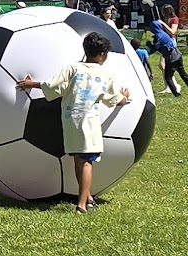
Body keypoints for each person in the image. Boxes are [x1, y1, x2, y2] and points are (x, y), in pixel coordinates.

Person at [14, 31, 133, 213]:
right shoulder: (103, 74)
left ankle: (89, 198)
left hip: (70, 122)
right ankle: (81, 205)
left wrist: (33, 84)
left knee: (78, 160)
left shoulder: (73, 68)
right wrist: (124, 97)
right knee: (87, 162)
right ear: (102, 55)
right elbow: (114, 99)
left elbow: (54, 85)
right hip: (89, 124)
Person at [151, 12, 188, 96]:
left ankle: (176, 93)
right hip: (178, 54)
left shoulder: (159, 35)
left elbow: (154, 48)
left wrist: (146, 50)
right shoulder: (164, 34)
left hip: (172, 58)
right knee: (183, 74)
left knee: (168, 77)